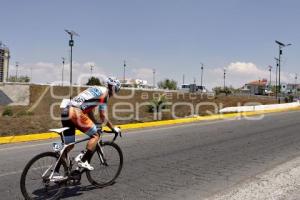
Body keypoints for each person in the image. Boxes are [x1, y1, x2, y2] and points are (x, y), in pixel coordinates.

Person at [60, 77, 121, 171]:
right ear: (113, 88)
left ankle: (56, 171)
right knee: (96, 135)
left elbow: (89, 110)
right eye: (116, 90)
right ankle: (83, 161)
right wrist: (113, 128)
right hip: (75, 112)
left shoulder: (96, 88)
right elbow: (103, 116)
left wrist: (95, 122)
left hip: (65, 111)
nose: (115, 93)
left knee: (70, 145)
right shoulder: (105, 94)